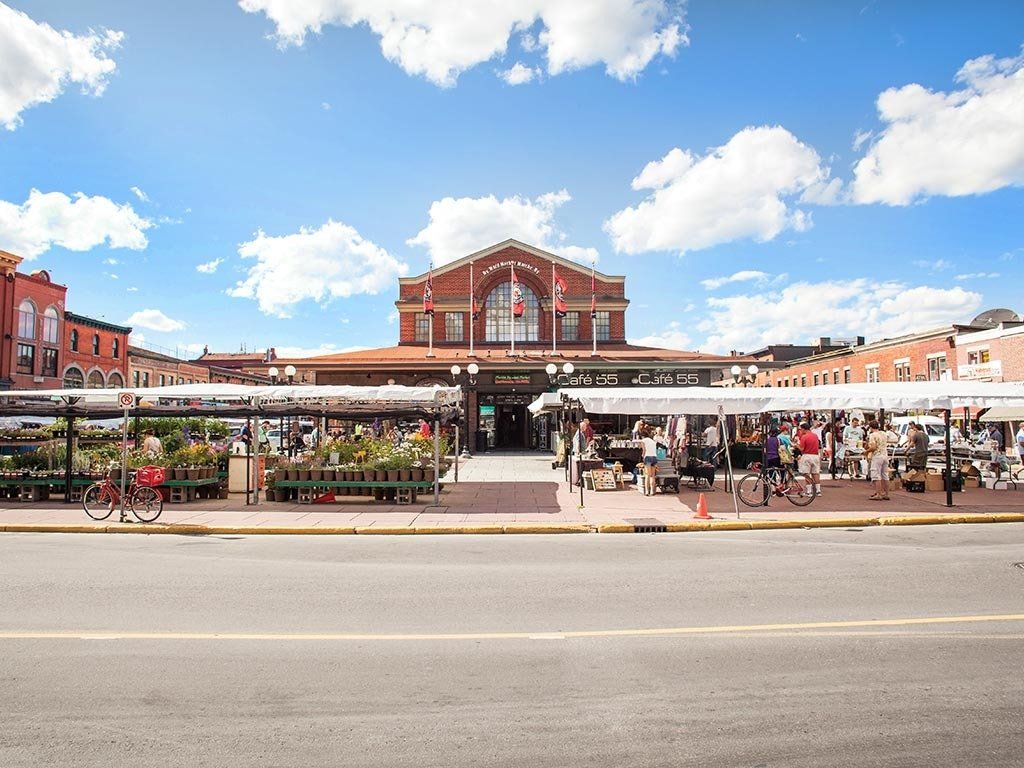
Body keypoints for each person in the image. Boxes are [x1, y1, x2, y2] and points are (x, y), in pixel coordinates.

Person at [865, 420, 890, 500]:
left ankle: (878, 494)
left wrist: (866, 451)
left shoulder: (873, 435)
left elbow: (873, 447)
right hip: (885, 455)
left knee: (876, 475)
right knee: (885, 475)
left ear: (871, 427)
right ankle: (885, 493)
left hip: (877, 456)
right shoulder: (883, 434)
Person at [796, 422, 821, 496]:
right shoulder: (815, 436)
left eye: (801, 429)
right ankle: (818, 491)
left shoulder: (804, 437)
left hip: (807, 455)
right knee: (816, 473)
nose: (800, 431)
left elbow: (802, 448)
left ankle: (809, 491)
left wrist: (796, 445)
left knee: (806, 474)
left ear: (804, 429)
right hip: (816, 456)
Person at [639, 427, 659, 496]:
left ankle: (647, 491)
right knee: (652, 475)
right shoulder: (653, 441)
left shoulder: (643, 441)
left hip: (647, 457)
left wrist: (642, 456)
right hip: (654, 457)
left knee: (647, 475)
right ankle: (652, 491)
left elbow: (644, 450)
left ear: (642, 435)